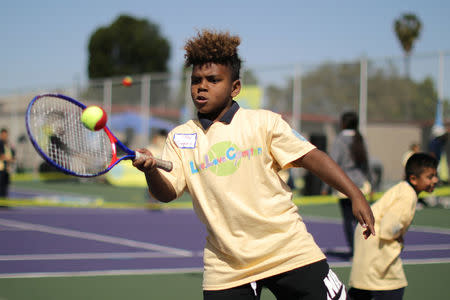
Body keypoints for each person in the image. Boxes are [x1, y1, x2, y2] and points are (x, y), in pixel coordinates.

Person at [133, 29, 375, 300]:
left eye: (213, 80)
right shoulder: (181, 137)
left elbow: (312, 157)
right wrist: (151, 170)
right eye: (196, 80)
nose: (202, 86)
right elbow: (166, 193)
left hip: (288, 250)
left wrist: (355, 194)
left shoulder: (264, 122)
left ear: (235, 87)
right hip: (226, 266)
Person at [348, 153, 438, 300]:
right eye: (430, 177)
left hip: (367, 236)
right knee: (394, 287)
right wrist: (398, 237)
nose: (435, 180)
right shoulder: (408, 196)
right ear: (413, 179)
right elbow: (389, 228)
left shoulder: (403, 188)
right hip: (376, 240)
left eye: (435, 175)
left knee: (364, 288)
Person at [322, 112, 372, 256]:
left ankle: (354, 251)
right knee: (362, 221)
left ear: (343, 123)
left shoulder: (339, 140)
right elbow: (367, 164)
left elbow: (331, 165)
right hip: (362, 186)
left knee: (349, 221)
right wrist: (372, 185)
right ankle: (363, 251)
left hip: (344, 186)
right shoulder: (361, 139)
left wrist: (325, 187)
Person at [0, 128, 15, 203]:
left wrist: (11, 159)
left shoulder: (8, 144)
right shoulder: (0, 143)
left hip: (7, 169)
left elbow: (13, 155)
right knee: (1, 186)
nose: (5, 136)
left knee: (5, 187)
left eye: (6, 134)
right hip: (1, 168)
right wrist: (8, 159)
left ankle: (4, 202)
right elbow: (1, 156)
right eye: (3, 134)